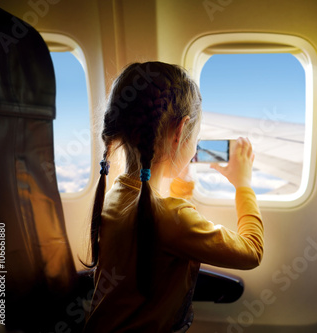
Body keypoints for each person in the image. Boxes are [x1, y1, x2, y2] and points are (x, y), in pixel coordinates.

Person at [83, 62, 264, 332]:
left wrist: (181, 182)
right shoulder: (172, 218)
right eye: (195, 137)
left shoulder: (114, 197)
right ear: (180, 132)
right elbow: (252, 252)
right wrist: (243, 184)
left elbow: (164, 227)